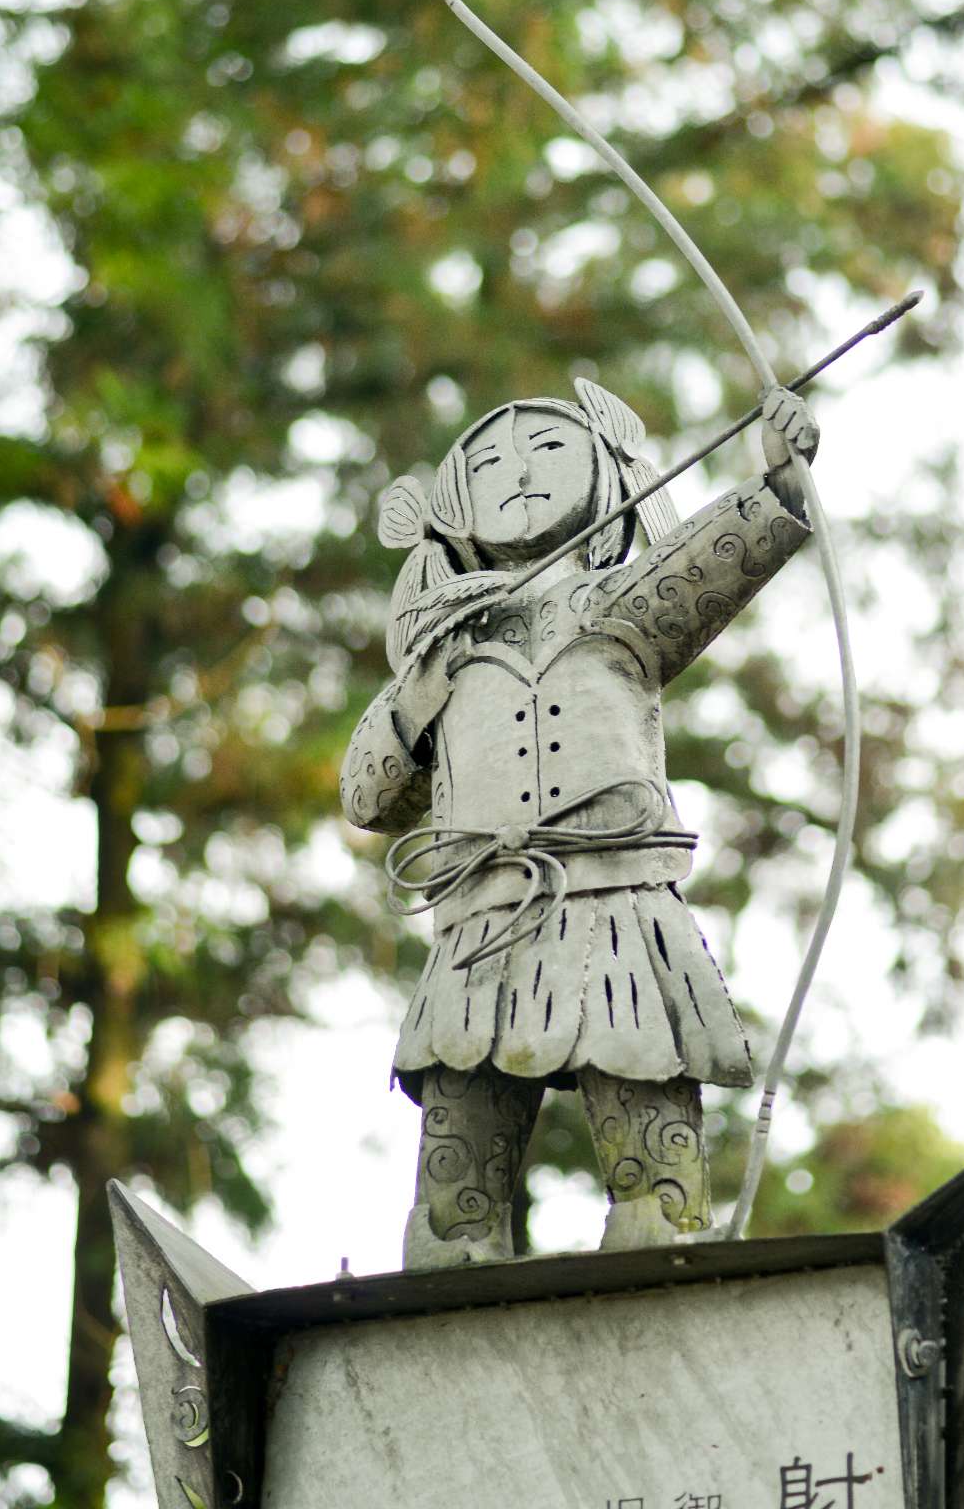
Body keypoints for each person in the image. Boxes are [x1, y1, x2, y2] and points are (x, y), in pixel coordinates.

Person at [341, 377, 820, 1268]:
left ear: (604, 474)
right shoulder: (441, 648)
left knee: (655, 1195)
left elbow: (711, 556)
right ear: (453, 506)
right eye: (487, 465)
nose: (519, 472)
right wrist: (417, 698)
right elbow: (367, 798)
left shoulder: (621, 607)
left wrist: (782, 478)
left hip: (618, 912)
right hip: (477, 928)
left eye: (551, 450)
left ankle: (660, 1269)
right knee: (455, 1215)